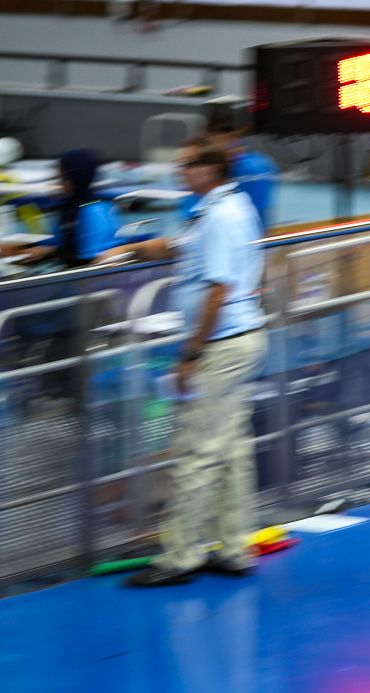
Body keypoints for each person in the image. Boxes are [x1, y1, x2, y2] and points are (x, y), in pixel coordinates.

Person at [97, 142, 268, 587]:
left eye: (187, 165)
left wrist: (190, 354)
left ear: (210, 168)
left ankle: (180, 557)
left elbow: (217, 290)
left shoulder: (220, 217)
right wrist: (128, 250)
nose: (179, 171)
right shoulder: (226, 208)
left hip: (221, 347)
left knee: (194, 452)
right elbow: (178, 246)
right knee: (230, 452)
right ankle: (233, 548)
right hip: (239, 340)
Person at [1, 149, 120, 269]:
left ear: (78, 178)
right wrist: (23, 247)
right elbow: (57, 243)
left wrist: (50, 252)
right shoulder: (70, 207)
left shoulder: (94, 210)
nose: (59, 184)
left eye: (64, 178)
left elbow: (90, 260)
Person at [199, 99, 277, 232]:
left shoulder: (257, 167)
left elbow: (260, 217)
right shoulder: (262, 165)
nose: (220, 138)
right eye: (215, 131)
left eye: (224, 131)